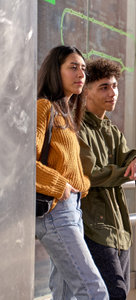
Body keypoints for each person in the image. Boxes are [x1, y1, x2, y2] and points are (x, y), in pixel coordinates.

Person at [78, 58, 136, 300]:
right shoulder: (78, 128)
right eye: (104, 87)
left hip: (120, 228)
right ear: (86, 91)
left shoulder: (111, 129)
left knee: (116, 292)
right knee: (114, 293)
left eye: (114, 86)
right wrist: (128, 170)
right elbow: (89, 175)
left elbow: (129, 155)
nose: (112, 93)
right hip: (94, 227)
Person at [35, 45, 109, 299]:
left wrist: (82, 185)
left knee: (65, 293)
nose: (81, 74)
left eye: (83, 69)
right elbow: (24, 163)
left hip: (72, 208)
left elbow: (69, 164)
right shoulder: (43, 107)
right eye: (73, 67)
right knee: (94, 290)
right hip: (56, 210)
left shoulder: (66, 113)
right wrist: (61, 186)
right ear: (56, 71)